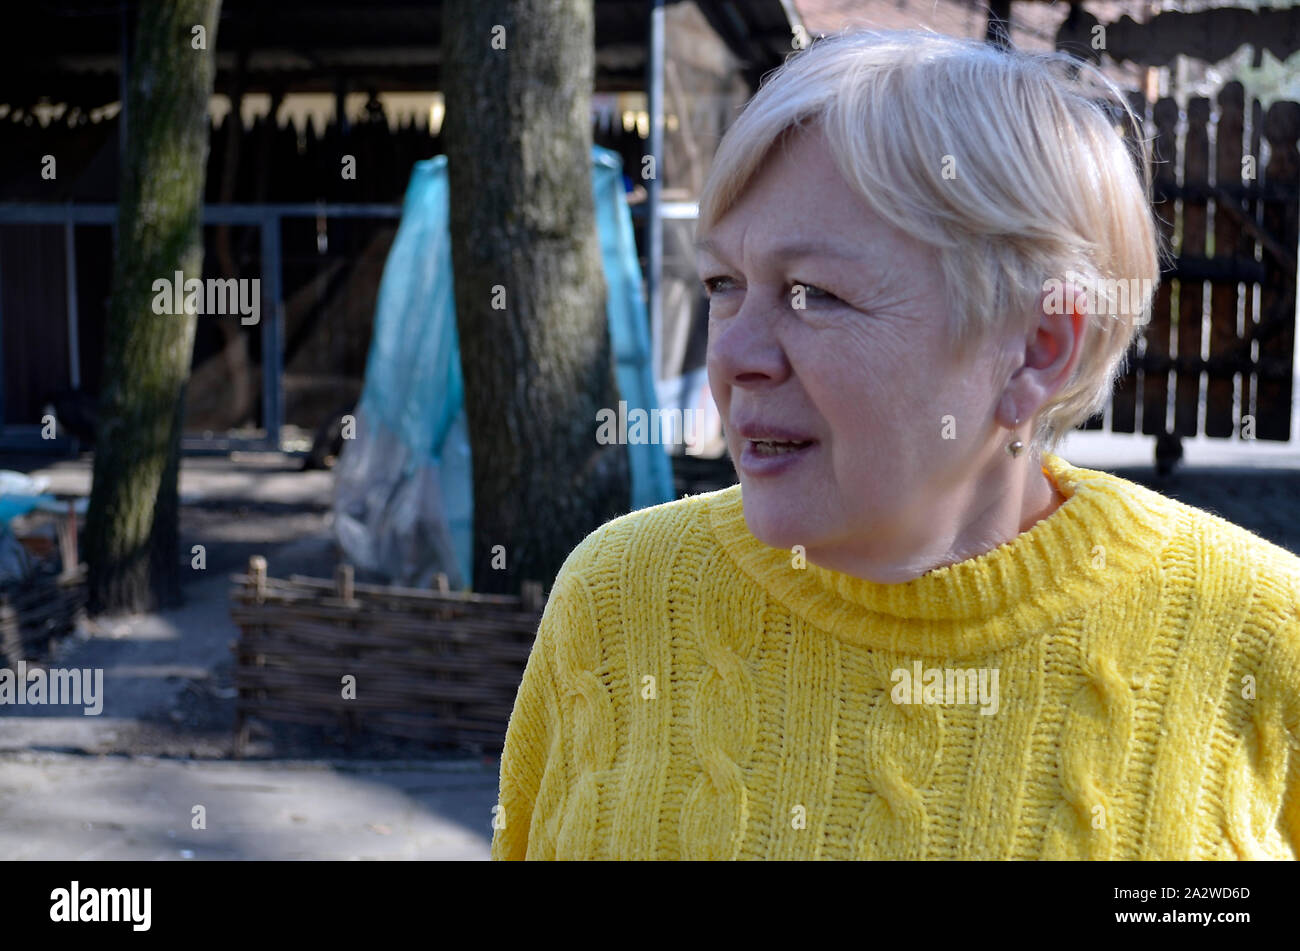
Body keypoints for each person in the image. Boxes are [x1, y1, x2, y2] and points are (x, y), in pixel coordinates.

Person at [491, 29, 1300, 860]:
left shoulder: (1263, 634)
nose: (734, 355)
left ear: (1035, 348)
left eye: (817, 295)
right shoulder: (618, 602)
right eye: (724, 284)